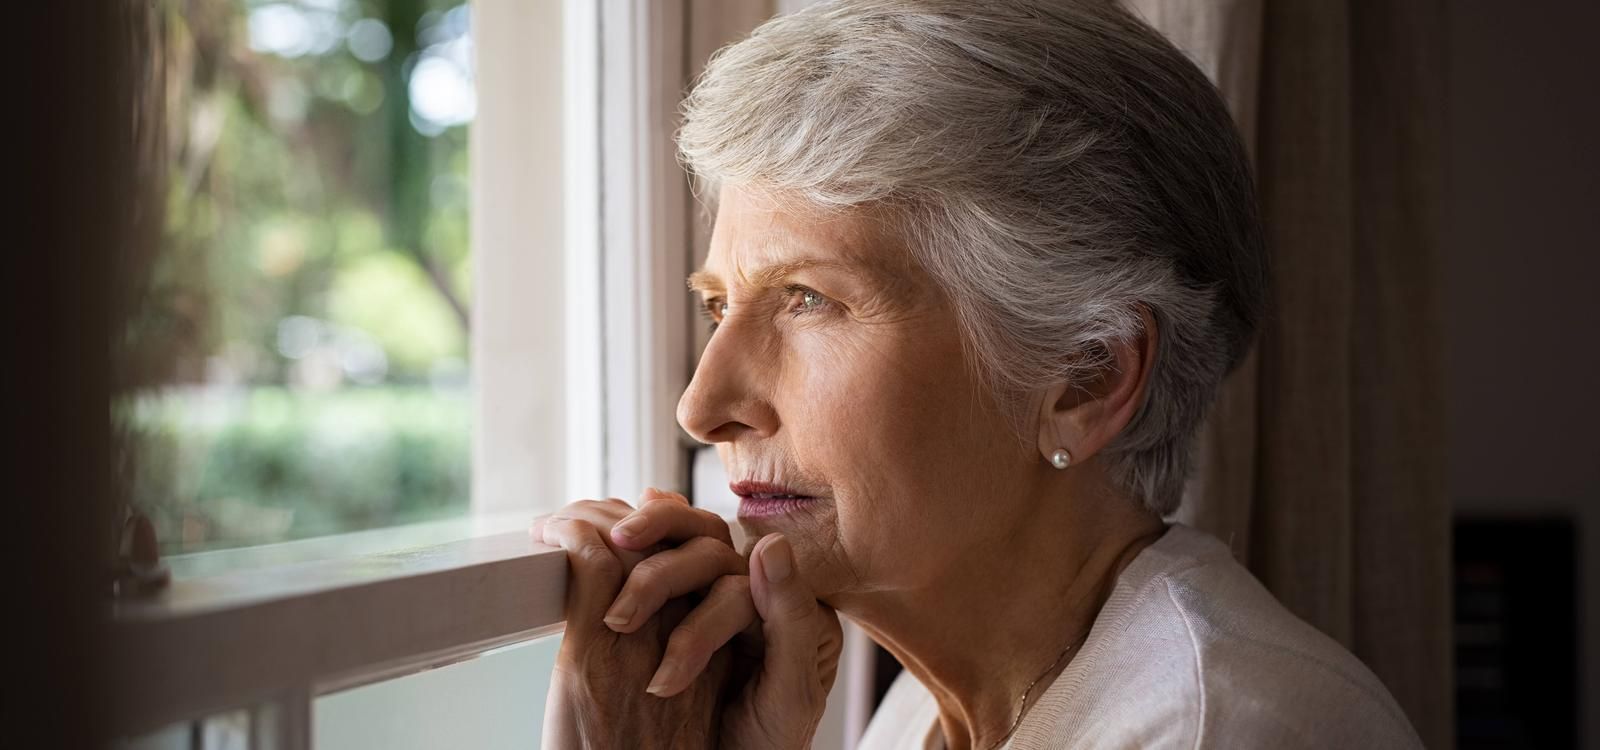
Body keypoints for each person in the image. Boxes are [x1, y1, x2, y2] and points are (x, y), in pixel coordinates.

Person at [534, 0, 1423, 747]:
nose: (702, 407)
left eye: (808, 300)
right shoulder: (935, 705)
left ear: (1084, 379)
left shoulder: (1214, 730)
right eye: (718, 306)